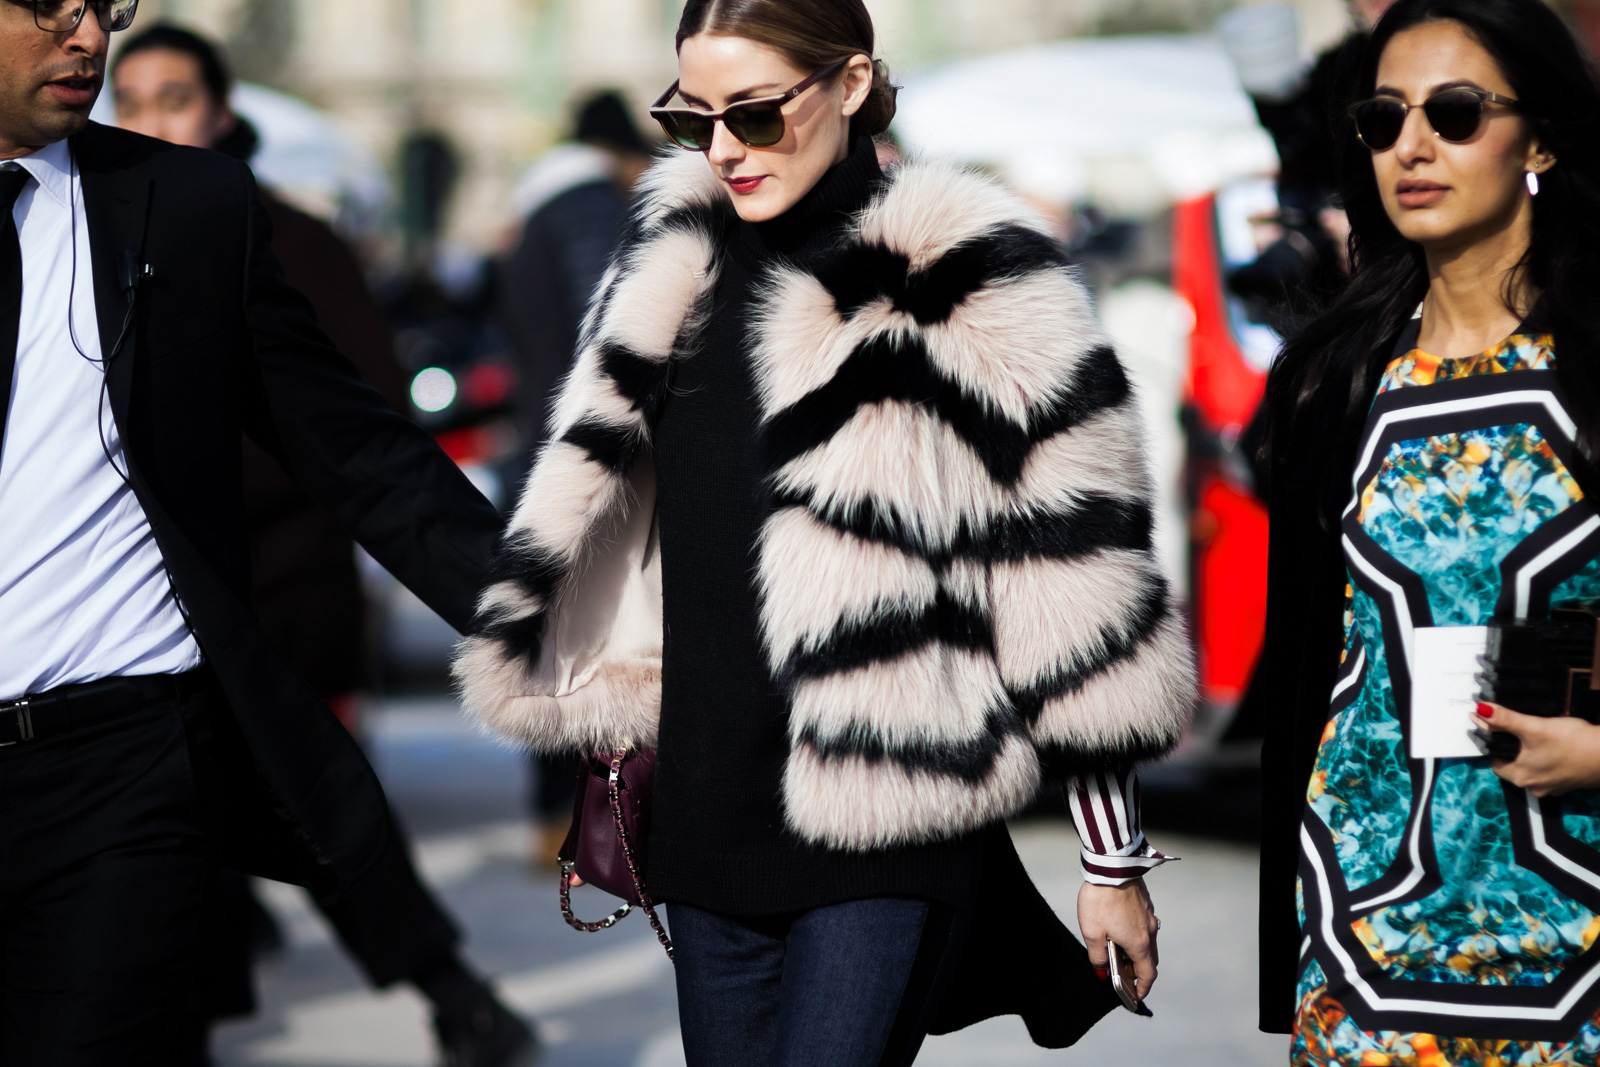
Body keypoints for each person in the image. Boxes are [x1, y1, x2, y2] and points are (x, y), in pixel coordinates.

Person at [454, 0, 1197, 1062]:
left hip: (893, 813)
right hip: (705, 822)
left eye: (754, 115)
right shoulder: (664, 276)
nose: (722, 150)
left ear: (851, 85)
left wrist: (1111, 861)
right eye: (690, 119)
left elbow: (1077, 584)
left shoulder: (974, 280)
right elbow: (611, 534)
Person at [0, 3, 506, 1063]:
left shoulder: (186, 208)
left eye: (107, 7)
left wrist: (560, 626)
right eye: (51, 3)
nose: (88, 35)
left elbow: (354, 445)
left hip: (125, 757)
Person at [1257, 0, 1600, 1059]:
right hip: (1369, 937)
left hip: (1576, 938)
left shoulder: (1591, 362)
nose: (1412, 146)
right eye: (1382, 118)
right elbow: (1311, 670)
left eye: (1454, 113)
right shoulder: (1336, 378)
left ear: (1537, 135)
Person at [497, 89, 653, 869]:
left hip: (535, 454)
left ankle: (552, 818)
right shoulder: (590, 208)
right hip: (583, 464)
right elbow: (616, 345)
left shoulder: (533, 210)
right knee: (588, 641)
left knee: (549, 644)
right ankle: (594, 826)